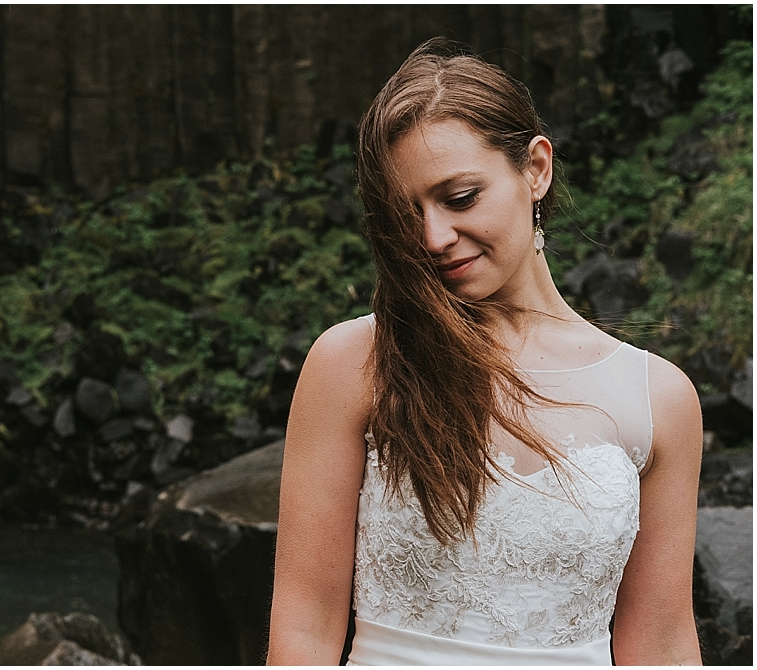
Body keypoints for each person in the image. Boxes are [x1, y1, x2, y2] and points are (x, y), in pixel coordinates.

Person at [266, 39, 702, 666]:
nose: (433, 237)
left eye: (460, 197)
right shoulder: (354, 363)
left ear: (536, 170)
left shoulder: (660, 397)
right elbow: (304, 628)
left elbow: (661, 644)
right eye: (404, 214)